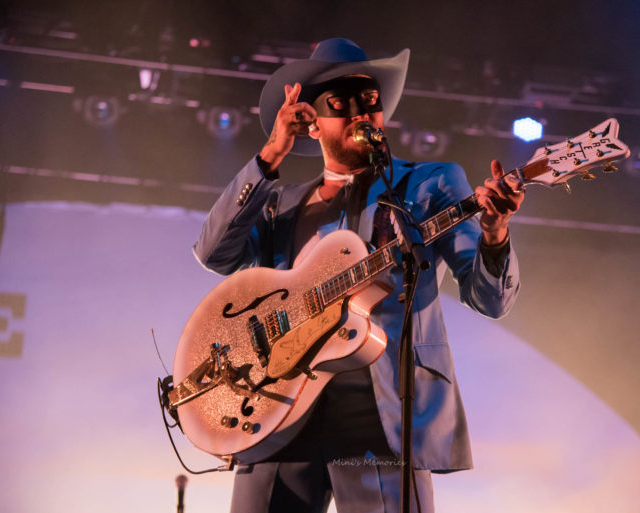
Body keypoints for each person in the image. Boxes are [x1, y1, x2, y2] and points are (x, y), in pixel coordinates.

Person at [193, 38, 524, 513]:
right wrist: (270, 156)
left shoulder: (428, 185)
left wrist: (495, 233)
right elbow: (213, 252)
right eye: (341, 103)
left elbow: (489, 299)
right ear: (311, 121)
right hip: (279, 407)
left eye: (371, 101)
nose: (361, 114)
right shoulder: (279, 204)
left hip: (378, 413)